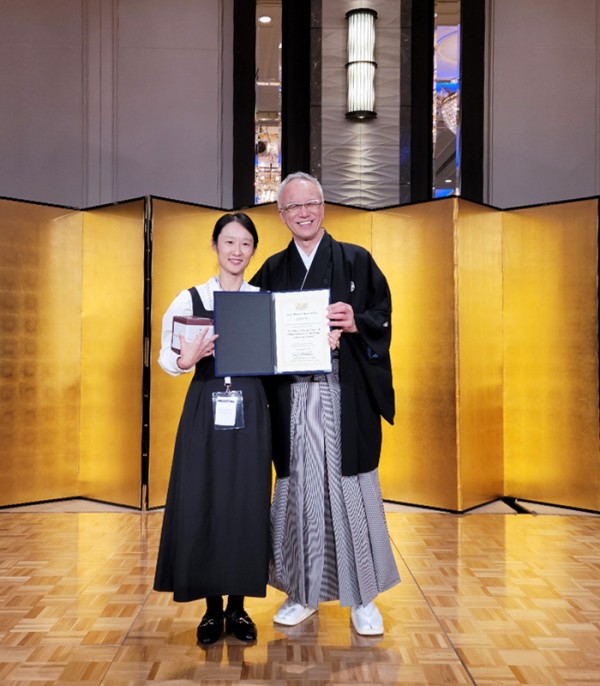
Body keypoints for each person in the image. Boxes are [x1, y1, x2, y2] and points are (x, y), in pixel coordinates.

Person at [250, 172, 400, 636]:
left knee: (351, 492)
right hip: (292, 399)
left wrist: (356, 322)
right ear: (281, 215)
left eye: (310, 203)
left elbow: (382, 316)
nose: (304, 213)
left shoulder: (356, 260)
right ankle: (302, 592)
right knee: (299, 496)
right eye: (293, 207)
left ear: (324, 206)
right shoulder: (273, 270)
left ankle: (363, 598)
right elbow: (252, 329)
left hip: (344, 394)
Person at [154, 212, 271, 646]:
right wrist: (185, 360)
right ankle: (211, 609)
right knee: (204, 497)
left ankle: (238, 607)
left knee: (245, 501)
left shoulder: (263, 300)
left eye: (245, 244)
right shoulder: (190, 300)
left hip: (251, 409)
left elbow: (282, 353)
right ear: (215, 246)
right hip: (205, 407)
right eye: (229, 242)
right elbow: (167, 357)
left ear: (253, 250)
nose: (237, 251)